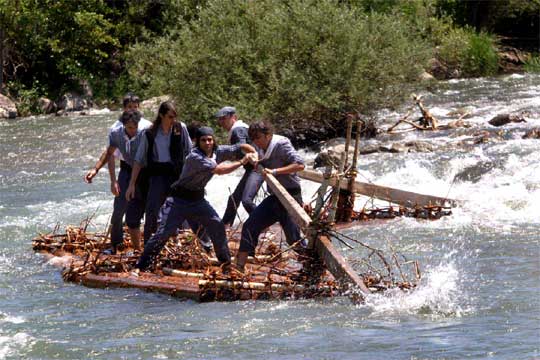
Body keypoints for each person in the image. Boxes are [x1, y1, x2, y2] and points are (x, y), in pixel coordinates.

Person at [134, 126, 256, 272]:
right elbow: (220, 171)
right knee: (163, 233)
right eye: (203, 140)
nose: (207, 143)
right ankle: (142, 265)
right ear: (197, 142)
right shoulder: (195, 156)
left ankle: (225, 263)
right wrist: (243, 161)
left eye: (210, 139)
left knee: (217, 225)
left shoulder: (218, 151)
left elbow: (240, 147)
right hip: (178, 200)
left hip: (198, 200)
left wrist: (253, 153)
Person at [235, 120, 306, 270]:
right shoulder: (259, 146)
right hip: (275, 197)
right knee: (249, 226)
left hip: (290, 197)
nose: (256, 141)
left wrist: (275, 172)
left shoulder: (281, 144)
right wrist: (256, 161)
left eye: (258, 137)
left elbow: (300, 165)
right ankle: (239, 267)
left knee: (293, 239)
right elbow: (260, 160)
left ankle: (312, 267)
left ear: (268, 135)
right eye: (253, 138)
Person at [126, 101, 192, 242]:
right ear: (161, 115)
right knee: (152, 209)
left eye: (174, 117)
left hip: (177, 173)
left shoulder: (180, 128)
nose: (173, 120)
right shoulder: (150, 132)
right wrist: (132, 184)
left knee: (181, 207)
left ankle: (181, 240)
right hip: (158, 174)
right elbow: (139, 159)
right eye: (170, 117)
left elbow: (189, 152)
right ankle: (149, 242)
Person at [85, 110, 148, 254]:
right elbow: (109, 153)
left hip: (147, 172)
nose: (133, 130)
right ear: (124, 125)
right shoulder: (116, 133)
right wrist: (95, 170)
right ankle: (119, 245)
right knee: (122, 207)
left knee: (150, 210)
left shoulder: (145, 132)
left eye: (135, 127)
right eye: (130, 128)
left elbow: (143, 159)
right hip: (127, 169)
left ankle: (149, 246)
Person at [215, 106, 263, 226]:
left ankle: (263, 222)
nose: (221, 122)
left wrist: (232, 157)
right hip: (253, 168)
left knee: (246, 200)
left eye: (224, 119)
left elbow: (242, 147)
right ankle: (224, 226)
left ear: (234, 118)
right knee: (234, 199)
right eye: (220, 119)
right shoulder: (241, 128)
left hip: (256, 169)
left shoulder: (238, 130)